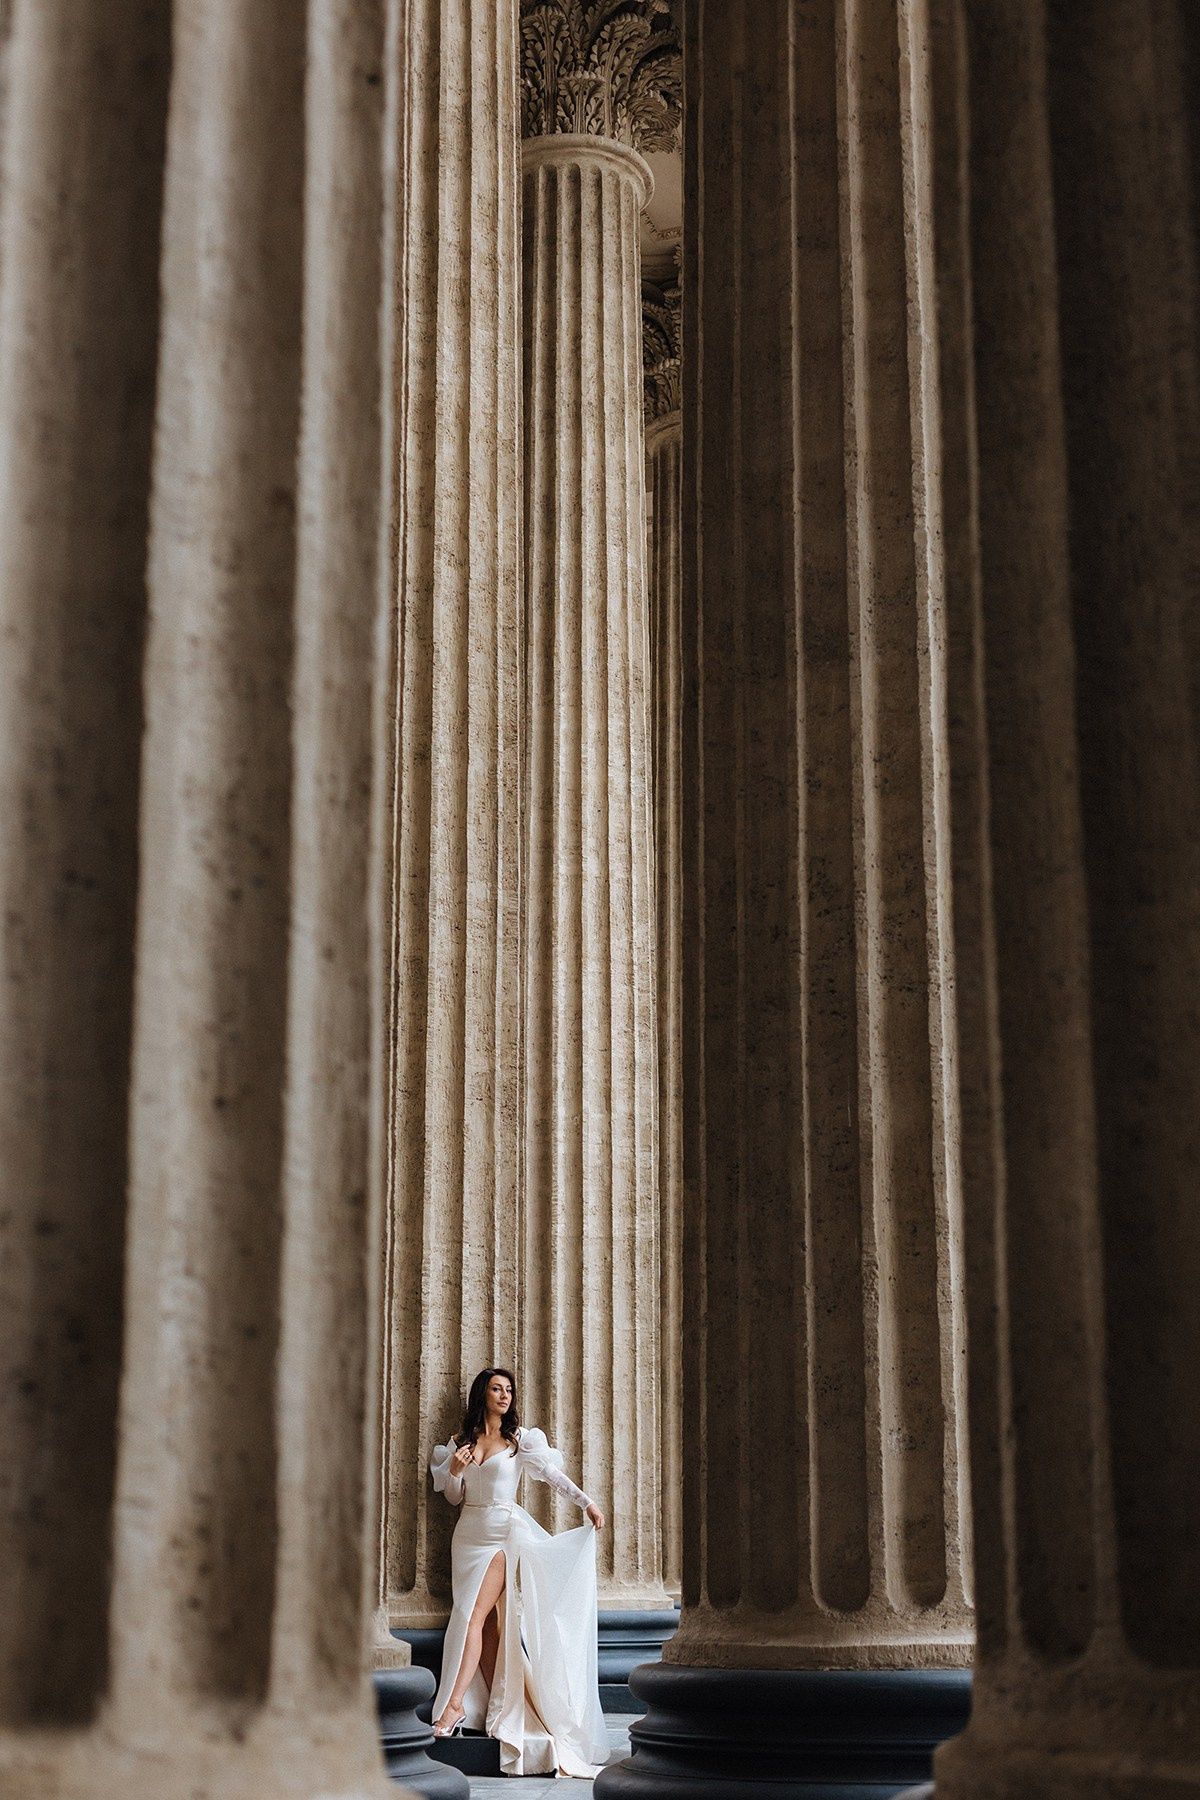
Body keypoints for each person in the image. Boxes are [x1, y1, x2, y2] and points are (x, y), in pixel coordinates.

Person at [429, 1366, 610, 1778]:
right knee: (489, 1627)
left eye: (509, 1389)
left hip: (500, 1537)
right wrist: (455, 1471)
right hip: (467, 1537)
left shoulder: (518, 1442)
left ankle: (454, 1705)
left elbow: (552, 1477)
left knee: (471, 1617)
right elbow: (455, 1498)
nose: (505, 1395)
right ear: (483, 1395)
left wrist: (587, 1503)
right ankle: (501, 1705)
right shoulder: (460, 1443)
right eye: (497, 1389)